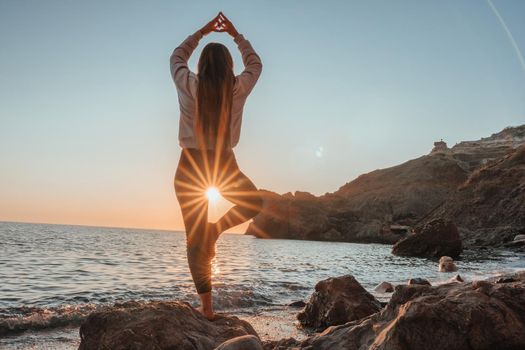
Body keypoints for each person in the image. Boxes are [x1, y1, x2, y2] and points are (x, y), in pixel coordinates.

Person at [170, 12, 263, 320]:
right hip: (222, 162)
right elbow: (256, 64)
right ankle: (215, 231)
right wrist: (236, 35)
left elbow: (177, 56)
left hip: (190, 167)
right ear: (228, 66)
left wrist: (203, 31)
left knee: (195, 239)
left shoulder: (188, 84)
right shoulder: (236, 88)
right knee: (253, 202)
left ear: (201, 66)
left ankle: (206, 307)